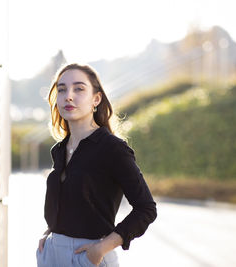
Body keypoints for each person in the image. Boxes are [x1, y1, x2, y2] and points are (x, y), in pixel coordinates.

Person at [36, 63, 157, 267]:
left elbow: (146, 209)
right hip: (51, 255)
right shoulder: (60, 149)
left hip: (89, 257)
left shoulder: (112, 149)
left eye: (79, 89)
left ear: (96, 99)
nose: (69, 96)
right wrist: (51, 234)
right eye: (62, 89)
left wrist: (101, 248)